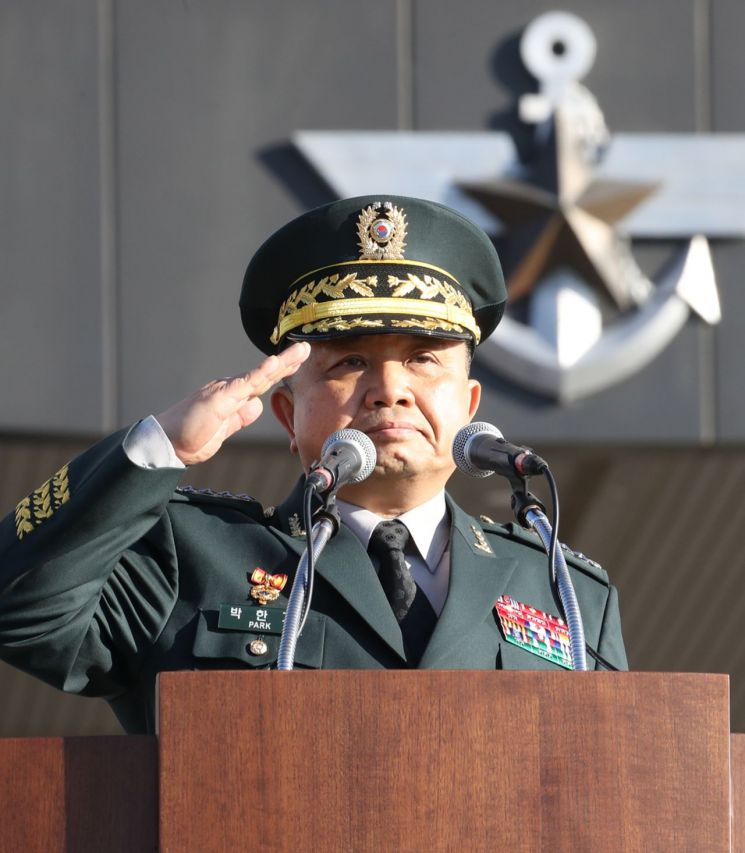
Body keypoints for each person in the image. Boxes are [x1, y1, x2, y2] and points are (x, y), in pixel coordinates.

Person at [0, 195, 627, 734]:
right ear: (286, 415)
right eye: (349, 362)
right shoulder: (189, 555)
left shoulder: (561, 589)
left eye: (423, 358)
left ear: (468, 407)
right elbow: (22, 611)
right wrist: (162, 447)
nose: (389, 390)